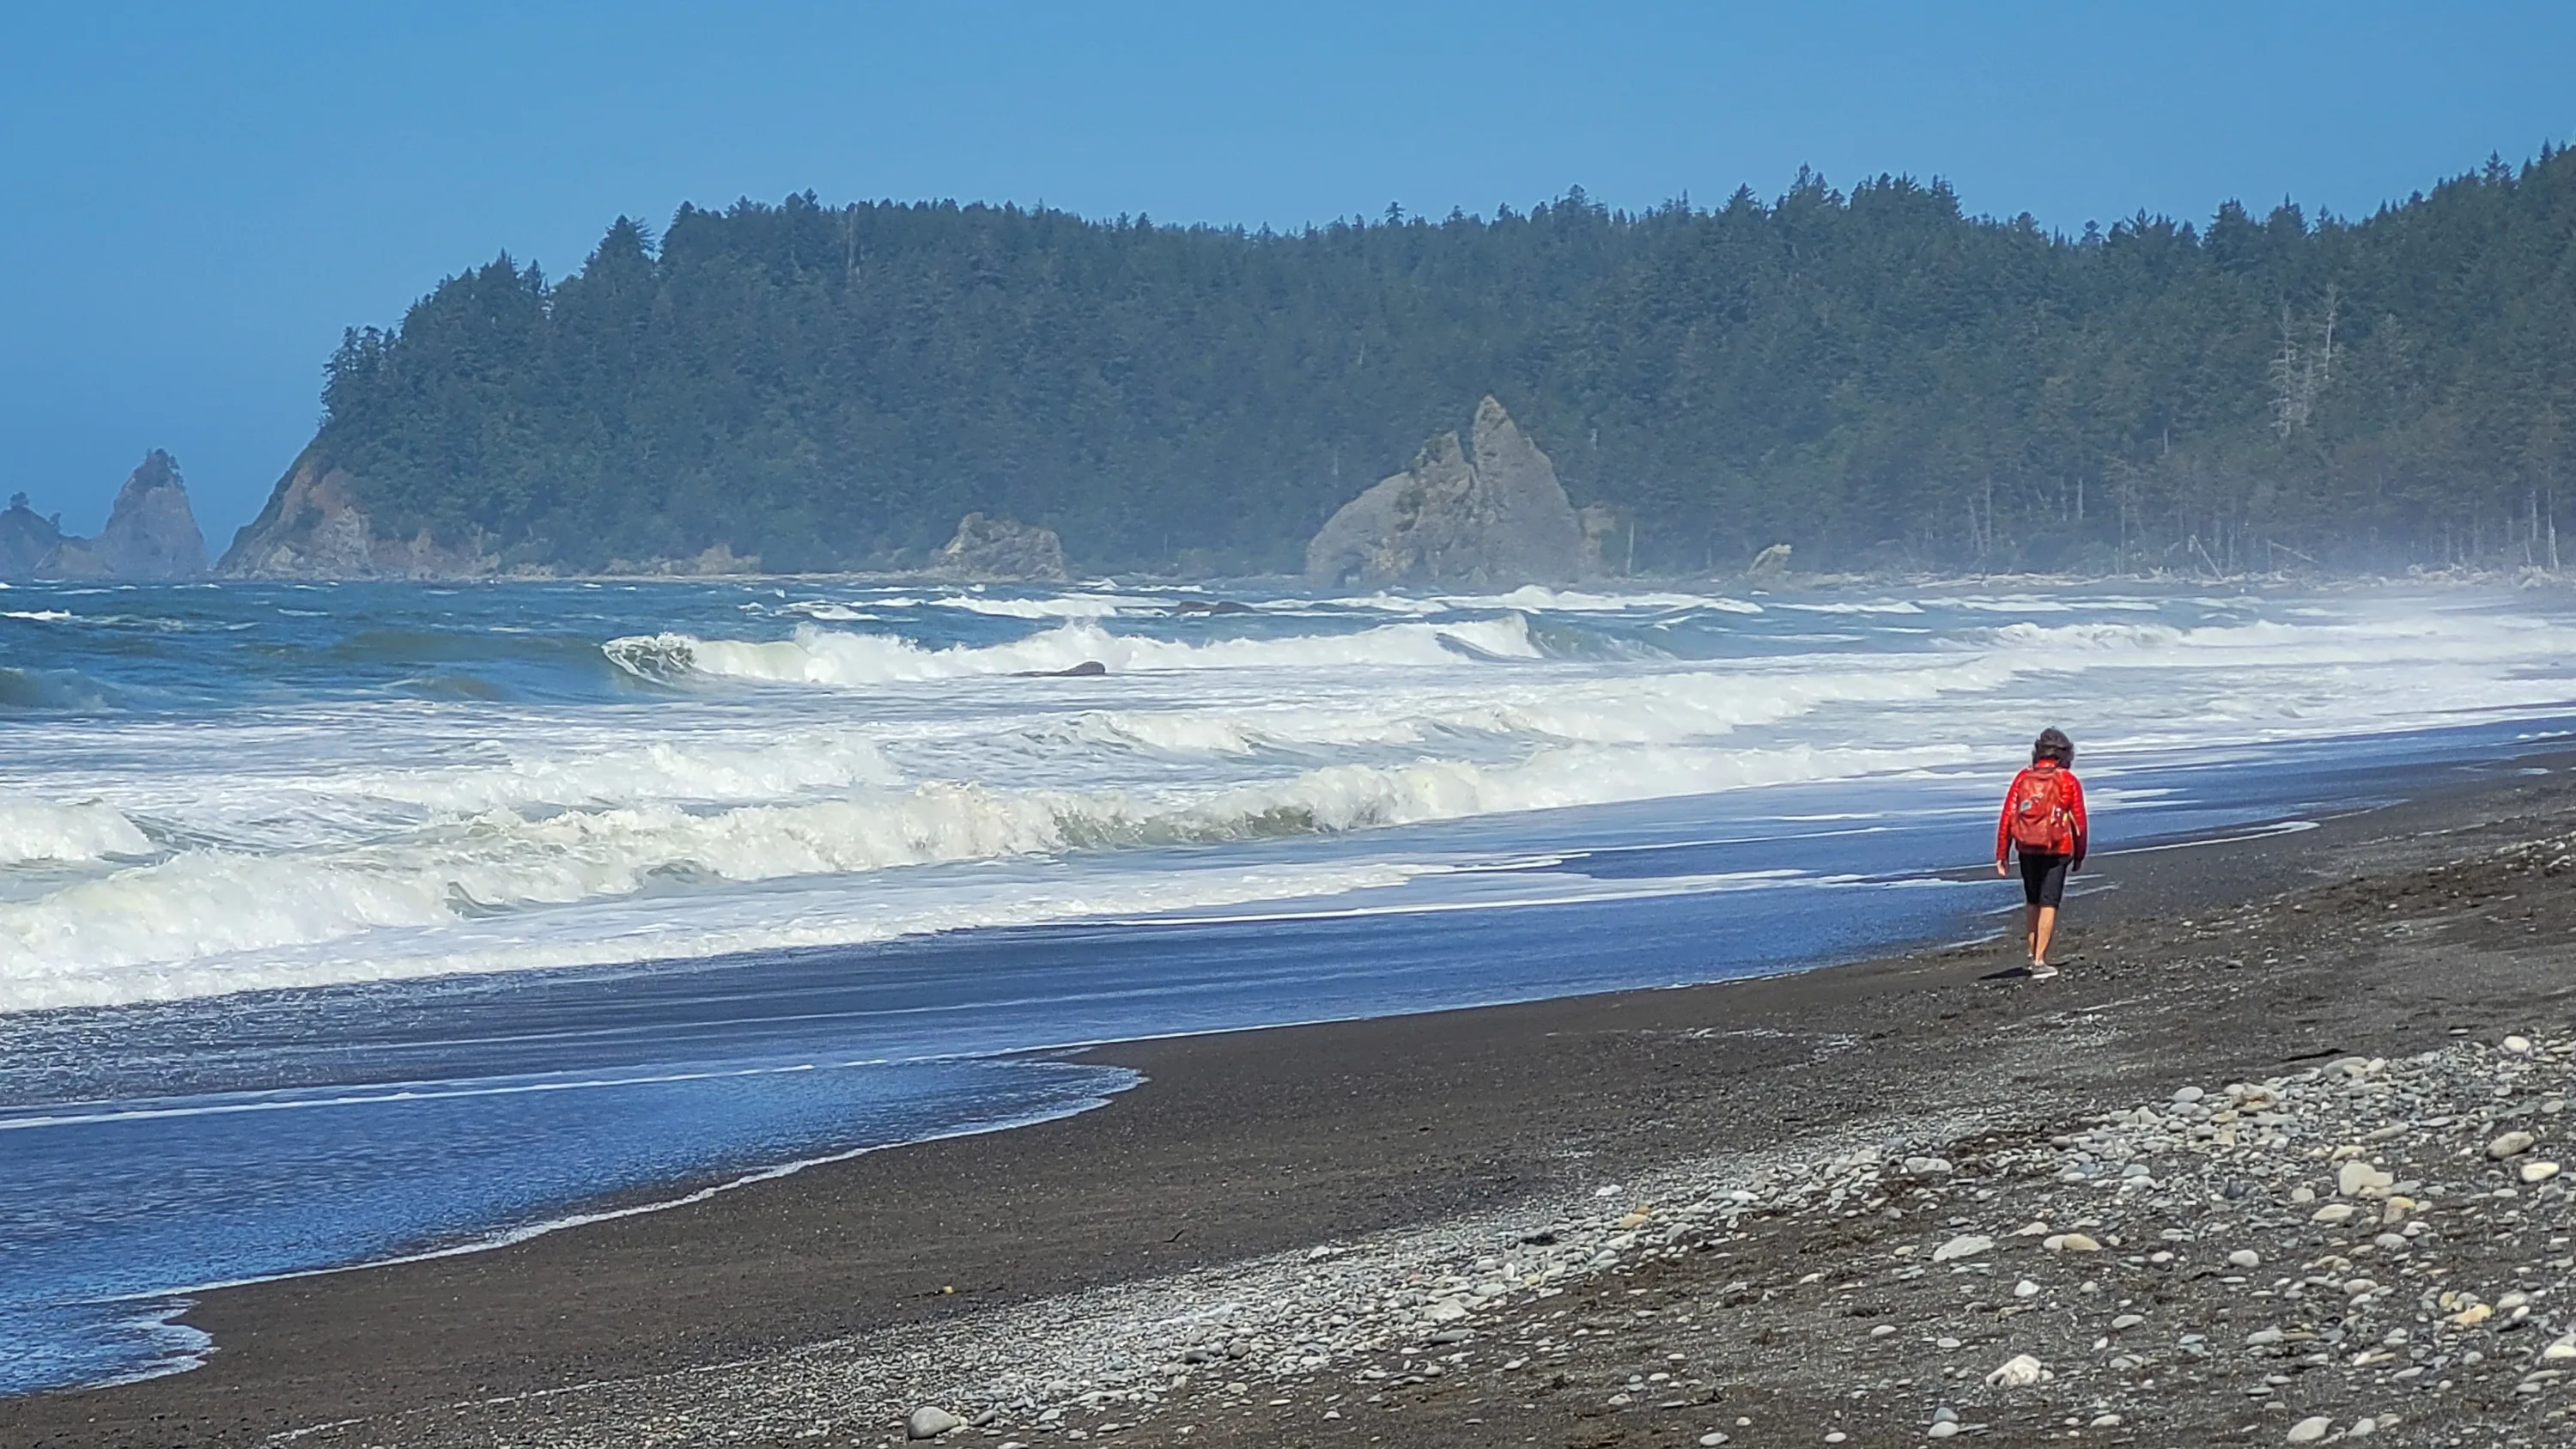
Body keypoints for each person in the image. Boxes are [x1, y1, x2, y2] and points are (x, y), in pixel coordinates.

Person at [1995, 727, 2088, 979]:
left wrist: (2002, 853)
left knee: (2032, 901)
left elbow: (2008, 816)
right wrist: (2080, 854)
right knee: (2049, 902)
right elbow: (2079, 823)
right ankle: (2039, 960)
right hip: (2058, 848)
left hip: (2026, 847)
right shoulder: (2068, 781)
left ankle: (2032, 954)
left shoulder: (2023, 778)